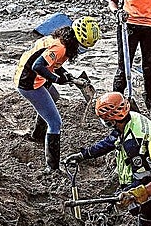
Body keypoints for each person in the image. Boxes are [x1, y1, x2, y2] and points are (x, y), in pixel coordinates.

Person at [65, 92, 151, 226]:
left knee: (149, 221)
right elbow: (110, 141)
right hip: (147, 179)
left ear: (110, 120)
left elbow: (145, 178)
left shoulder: (134, 143)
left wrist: (126, 193)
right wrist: (84, 154)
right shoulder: (130, 120)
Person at [15, 17, 101, 172]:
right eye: (82, 46)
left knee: (54, 97)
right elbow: (38, 65)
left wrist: (67, 75)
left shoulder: (64, 39)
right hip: (28, 82)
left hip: (33, 76)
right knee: (55, 123)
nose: (81, 50)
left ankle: (37, 135)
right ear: (77, 40)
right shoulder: (59, 47)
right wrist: (57, 79)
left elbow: (54, 64)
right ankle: (52, 168)